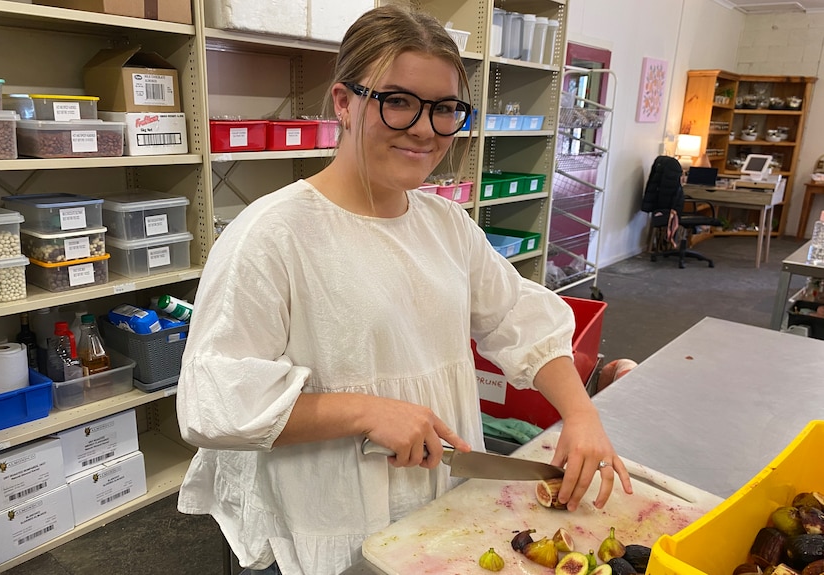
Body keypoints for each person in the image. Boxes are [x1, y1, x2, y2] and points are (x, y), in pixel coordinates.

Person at [176, 6, 632, 575]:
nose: (424, 128)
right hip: (324, 514)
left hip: (432, 500)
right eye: (397, 101)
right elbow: (212, 403)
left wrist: (580, 412)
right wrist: (364, 410)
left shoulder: (447, 225)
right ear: (344, 102)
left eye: (445, 109)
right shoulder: (271, 235)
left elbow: (515, 316)